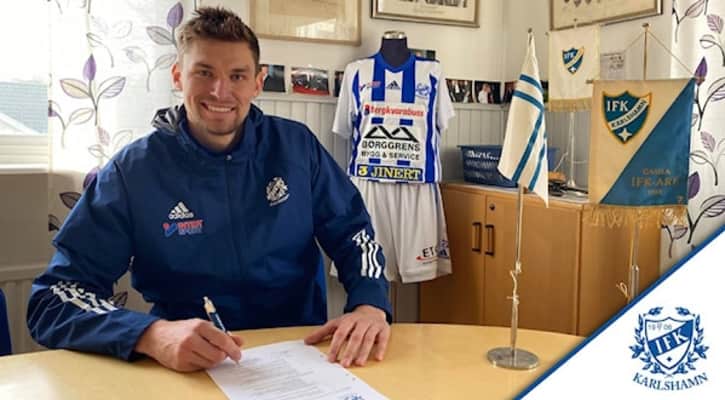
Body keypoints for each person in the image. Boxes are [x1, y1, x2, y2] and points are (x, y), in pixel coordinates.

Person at [27, 7, 392, 373]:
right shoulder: (132, 171)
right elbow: (54, 298)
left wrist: (370, 305)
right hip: (190, 368)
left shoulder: (297, 147)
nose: (220, 91)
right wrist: (151, 335)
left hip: (301, 357)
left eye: (237, 76)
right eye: (204, 73)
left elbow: (354, 234)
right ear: (177, 76)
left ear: (258, 82)